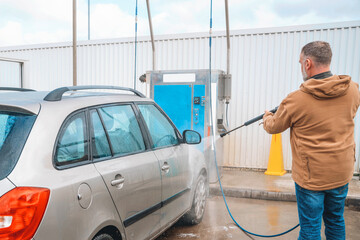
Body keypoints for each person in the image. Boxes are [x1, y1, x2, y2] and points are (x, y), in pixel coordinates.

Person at [262, 41, 360, 240]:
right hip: (341, 173)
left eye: (300, 63)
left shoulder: (296, 100)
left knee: (310, 229)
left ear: (308, 64)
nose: (300, 67)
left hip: (311, 178)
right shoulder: (352, 90)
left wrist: (266, 116)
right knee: (335, 220)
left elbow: (274, 127)